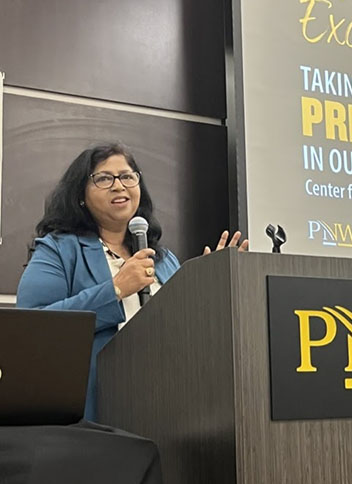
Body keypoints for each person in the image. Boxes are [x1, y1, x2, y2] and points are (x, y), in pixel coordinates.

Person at [16, 143, 248, 421]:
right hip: (95, 409)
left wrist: (206, 285)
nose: (119, 186)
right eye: (103, 178)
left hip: (169, 400)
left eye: (127, 176)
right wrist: (115, 289)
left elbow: (184, 330)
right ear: (80, 196)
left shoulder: (162, 259)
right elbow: (31, 330)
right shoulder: (59, 249)